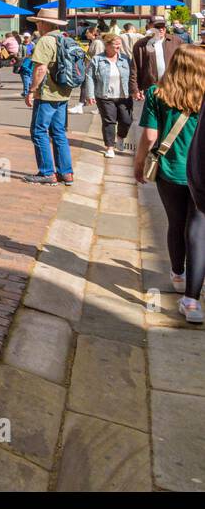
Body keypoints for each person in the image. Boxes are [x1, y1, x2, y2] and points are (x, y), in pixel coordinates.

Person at [136, 44, 205, 323]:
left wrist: (139, 163)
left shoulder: (157, 94)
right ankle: (191, 302)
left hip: (170, 169)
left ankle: (178, 273)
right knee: (199, 229)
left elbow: (150, 136)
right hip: (201, 171)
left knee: (175, 223)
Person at [24, 7, 80, 186]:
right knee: (58, 133)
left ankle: (47, 172)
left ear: (44, 24)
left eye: (38, 22)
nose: (38, 25)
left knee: (39, 132)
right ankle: (66, 172)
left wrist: (32, 90)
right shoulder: (66, 38)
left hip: (47, 93)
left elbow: (40, 68)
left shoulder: (45, 41)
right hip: (63, 92)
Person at [83, 32, 133, 158]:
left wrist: (137, 90)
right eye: (116, 44)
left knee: (126, 120)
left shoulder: (125, 59)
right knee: (109, 121)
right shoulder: (97, 59)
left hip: (124, 96)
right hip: (105, 96)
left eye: (120, 44)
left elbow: (133, 75)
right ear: (107, 45)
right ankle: (110, 147)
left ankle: (120, 137)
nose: (119, 47)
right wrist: (90, 95)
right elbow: (89, 77)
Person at [131, 16, 185, 101]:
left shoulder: (176, 42)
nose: (161, 29)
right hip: (150, 89)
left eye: (163, 26)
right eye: (157, 27)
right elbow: (134, 68)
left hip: (173, 88)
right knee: (152, 114)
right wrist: (135, 89)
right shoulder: (140, 45)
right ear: (149, 27)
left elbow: (185, 65)